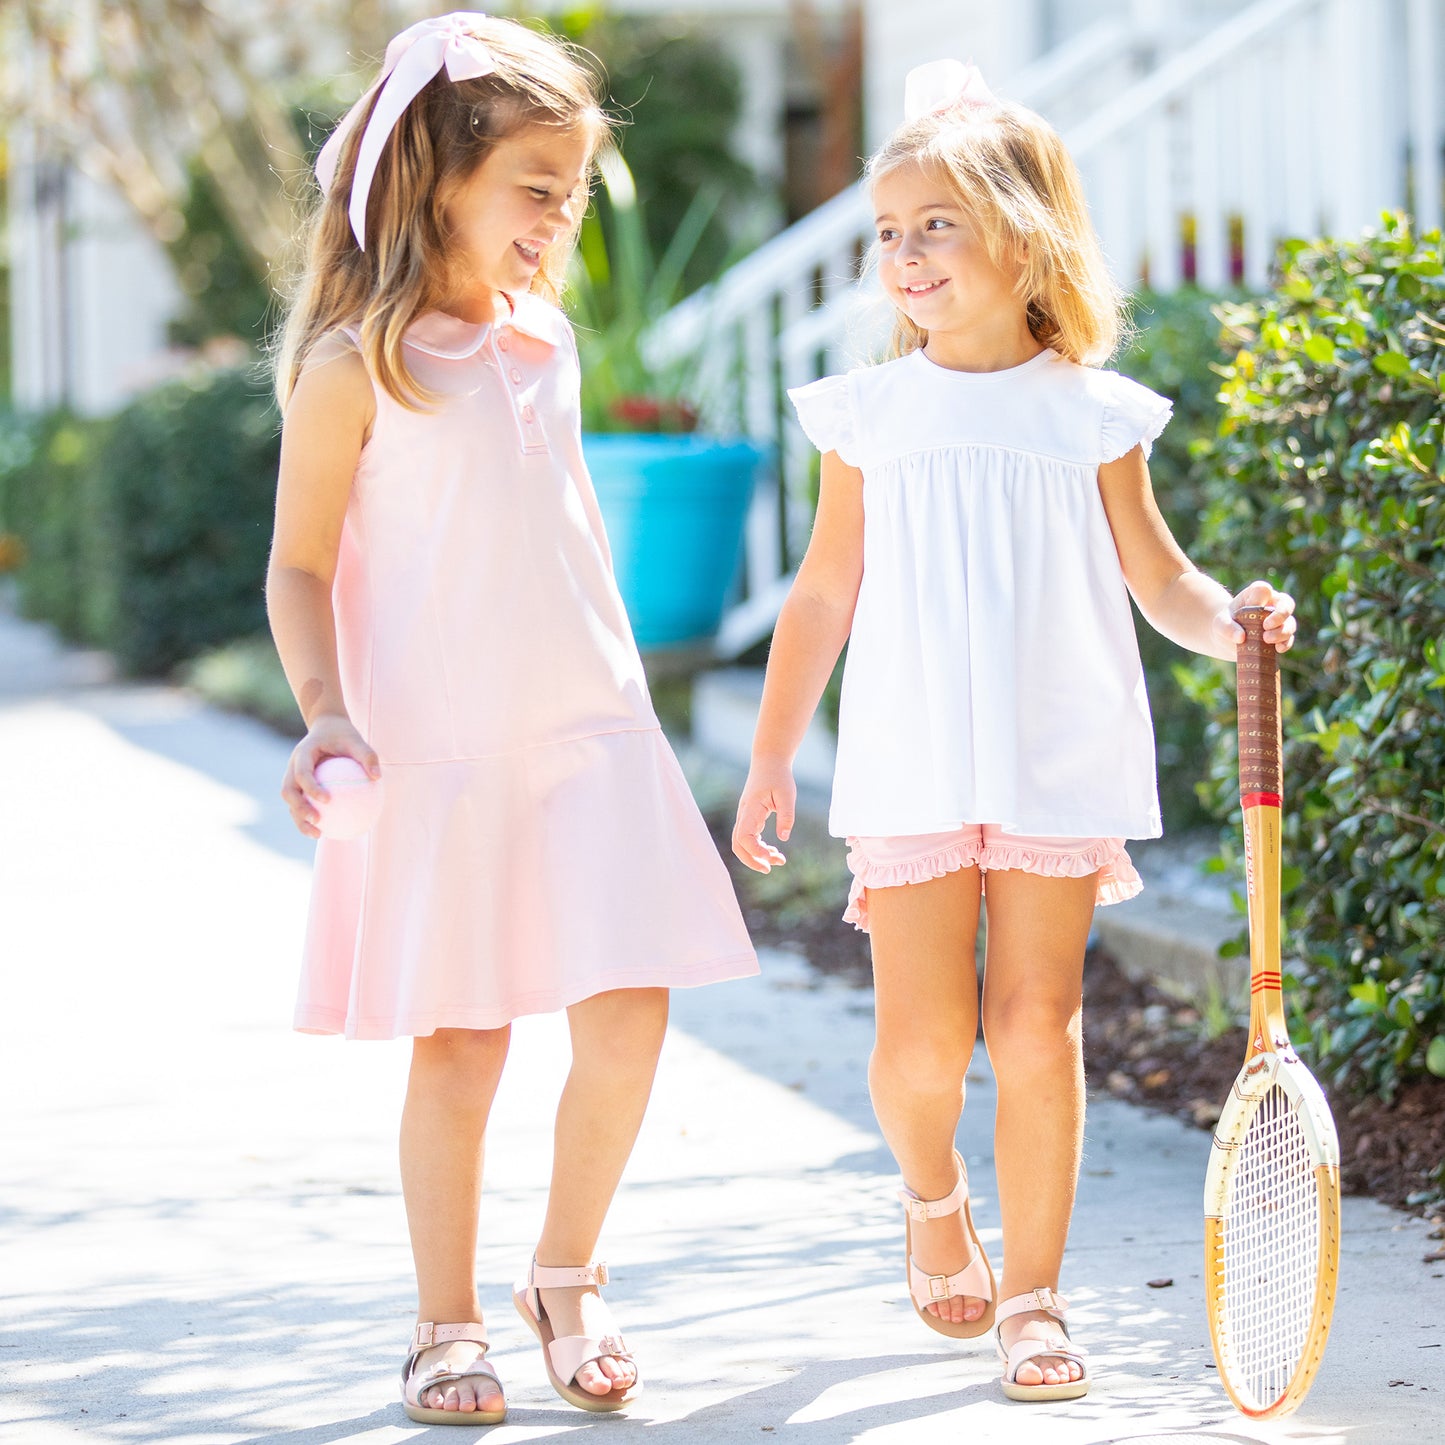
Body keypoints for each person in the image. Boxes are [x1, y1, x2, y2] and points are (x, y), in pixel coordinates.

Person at [731, 59, 1296, 1403]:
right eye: (886, 230)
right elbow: (823, 589)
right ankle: (931, 1194)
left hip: (1055, 754)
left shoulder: (1090, 413)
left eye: (934, 223)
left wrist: (1230, 623)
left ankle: (1035, 1294)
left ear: (1022, 233)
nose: (903, 253)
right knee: (922, 1044)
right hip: (913, 757)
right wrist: (767, 753)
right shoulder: (867, 415)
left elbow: (1156, 576)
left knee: (1035, 1027)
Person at [267, 13, 758, 1425]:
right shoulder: (356, 364)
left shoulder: (542, 344)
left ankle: (566, 1268)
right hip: (443, 751)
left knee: (629, 1014)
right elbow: (297, 564)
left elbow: (567, 540)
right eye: (534, 188)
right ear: (437, 180)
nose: (560, 218)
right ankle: (445, 1319)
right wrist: (322, 713)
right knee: (463, 1039)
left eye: (571, 190)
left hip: (586, 732)